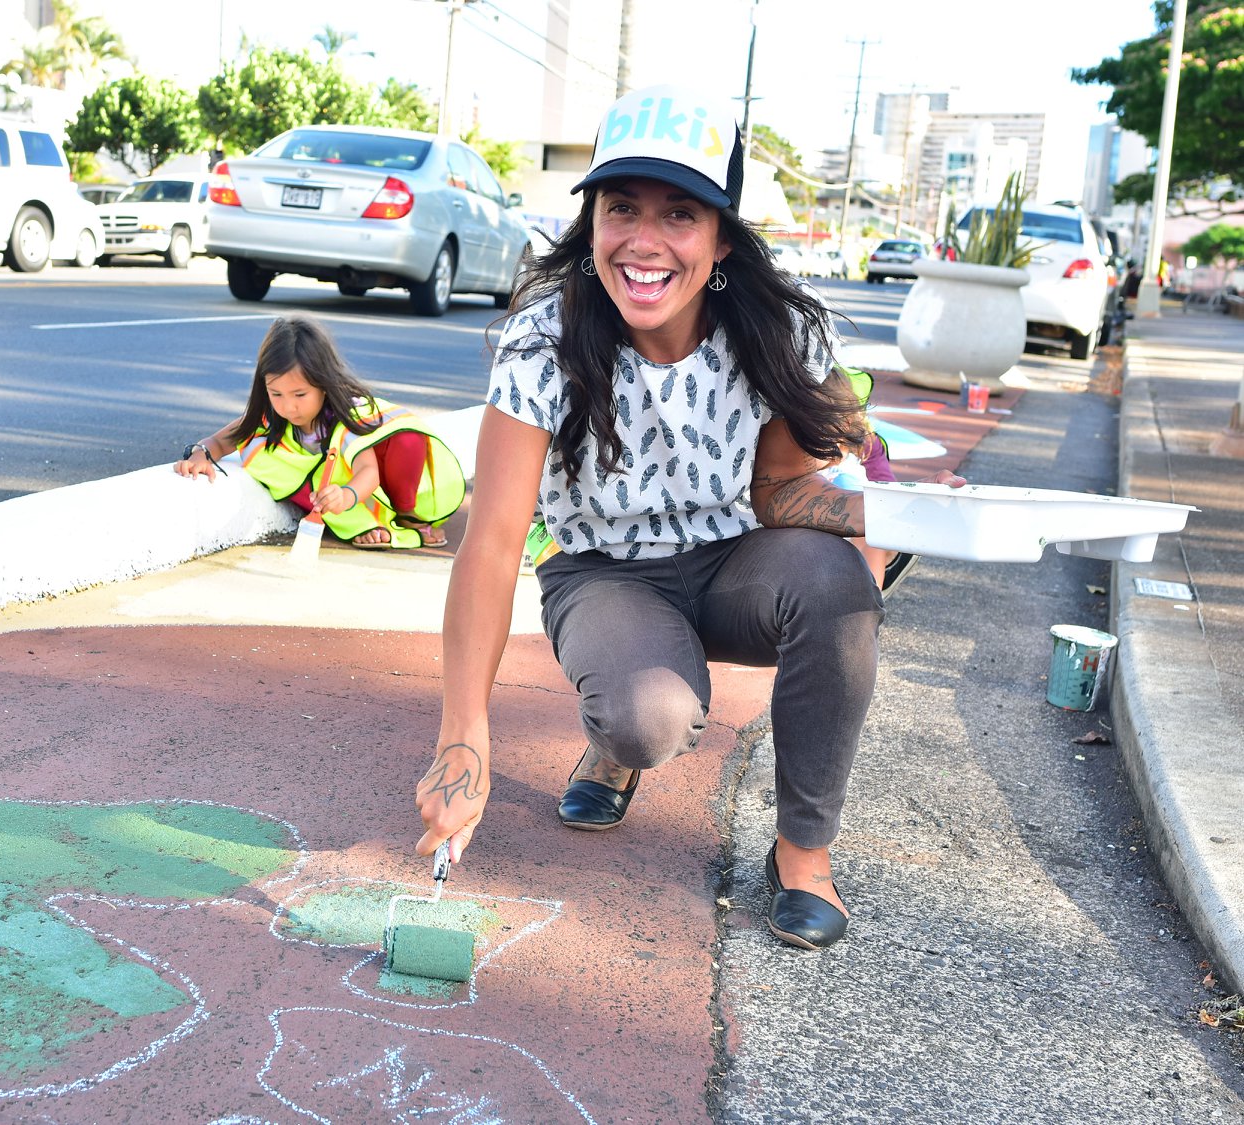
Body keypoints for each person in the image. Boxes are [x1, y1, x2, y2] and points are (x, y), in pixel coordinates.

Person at [412, 84, 963, 952]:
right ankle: (615, 749)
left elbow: (780, 493)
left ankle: (804, 854)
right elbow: (493, 542)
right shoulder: (543, 339)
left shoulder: (772, 331)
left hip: (733, 561)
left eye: (681, 214)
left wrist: (889, 512)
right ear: (590, 220)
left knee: (841, 582)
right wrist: (463, 738)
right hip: (604, 573)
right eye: (621, 207)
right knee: (649, 716)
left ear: (721, 239)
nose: (644, 241)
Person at [174, 314, 465, 548]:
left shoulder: (346, 414)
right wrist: (201, 454)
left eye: (300, 395)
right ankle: (363, 524)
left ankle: (407, 516)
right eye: (276, 394)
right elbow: (221, 441)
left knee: (408, 439)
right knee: (289, 472)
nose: (288, 407)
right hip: (326, 494)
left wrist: (348, 495)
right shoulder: (266, 419)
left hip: (364, 485)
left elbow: (369, 471)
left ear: (324, 384)